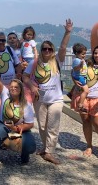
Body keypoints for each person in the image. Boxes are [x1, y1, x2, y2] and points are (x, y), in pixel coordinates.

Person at [22, 19, 73, 165]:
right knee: (43, 126)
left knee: (53, 126)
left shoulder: (57, 60)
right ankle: (45, 148)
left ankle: (50, 152)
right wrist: (32, 86)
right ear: (41, 49)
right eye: (44, 48)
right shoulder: (35, 62)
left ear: (52, 51)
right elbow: (24, 76)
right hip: (40, 98)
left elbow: (63, 47)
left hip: (56, 99)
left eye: (49, 49)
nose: (47, 51)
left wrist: (67, 32)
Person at [0, 58, 36, 165]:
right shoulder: (5, 94)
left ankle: (23, 154)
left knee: (30, 145)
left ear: (21, 89)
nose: (13, 89)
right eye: (11, 87)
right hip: (3, 126)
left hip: (19, 129)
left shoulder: (26, 104)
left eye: (16, 87)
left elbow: (30, 124)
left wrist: (17, 128)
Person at [71, 45, 98, 157]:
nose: (97, 55)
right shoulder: (86, 62)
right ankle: (89, 146)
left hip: (96, 97)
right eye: (96, 53)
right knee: (86, 121)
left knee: (96, 123)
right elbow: (74, 72)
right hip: (83, 95)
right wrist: (73, 80)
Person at [71, 43, 88, 113]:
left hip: (81, 77)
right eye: (83, 54)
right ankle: (80, 104)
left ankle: (80, 103)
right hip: (80, 77)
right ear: (77, 53)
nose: (84, 55)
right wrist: (80, 65)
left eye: (84, 54)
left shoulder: (80, 60)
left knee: (80, 90)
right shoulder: (77, 60)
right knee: (86, 91)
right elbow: (75, 69)